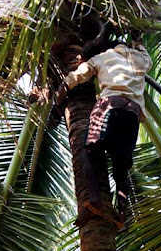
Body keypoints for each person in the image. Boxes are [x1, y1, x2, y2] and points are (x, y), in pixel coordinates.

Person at [56, 35, 152, 229]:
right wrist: (138, 41)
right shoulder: (140, 58)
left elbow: (77, 76)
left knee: (88, 152)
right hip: (132, 114)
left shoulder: (103, 57)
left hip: (109, 106)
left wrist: (57, 95)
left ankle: (94, 200)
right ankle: (122, 212)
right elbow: (144, 53)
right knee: (121, 168)